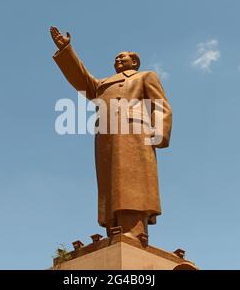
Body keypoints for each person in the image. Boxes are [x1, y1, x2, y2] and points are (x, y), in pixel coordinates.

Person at [50, 26, 172, 242]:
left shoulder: (145, 76)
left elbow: (160, 104)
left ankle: (135, 230)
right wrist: (66, 50)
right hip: (106, 133)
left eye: (122, 57)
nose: (117, 59)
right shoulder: (102, 85)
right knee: (109, 185)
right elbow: (82, 79)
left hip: (134, 132)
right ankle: (113, 229)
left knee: (132, 181)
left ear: (134, 62)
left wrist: (159, 132)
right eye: (115, 57)